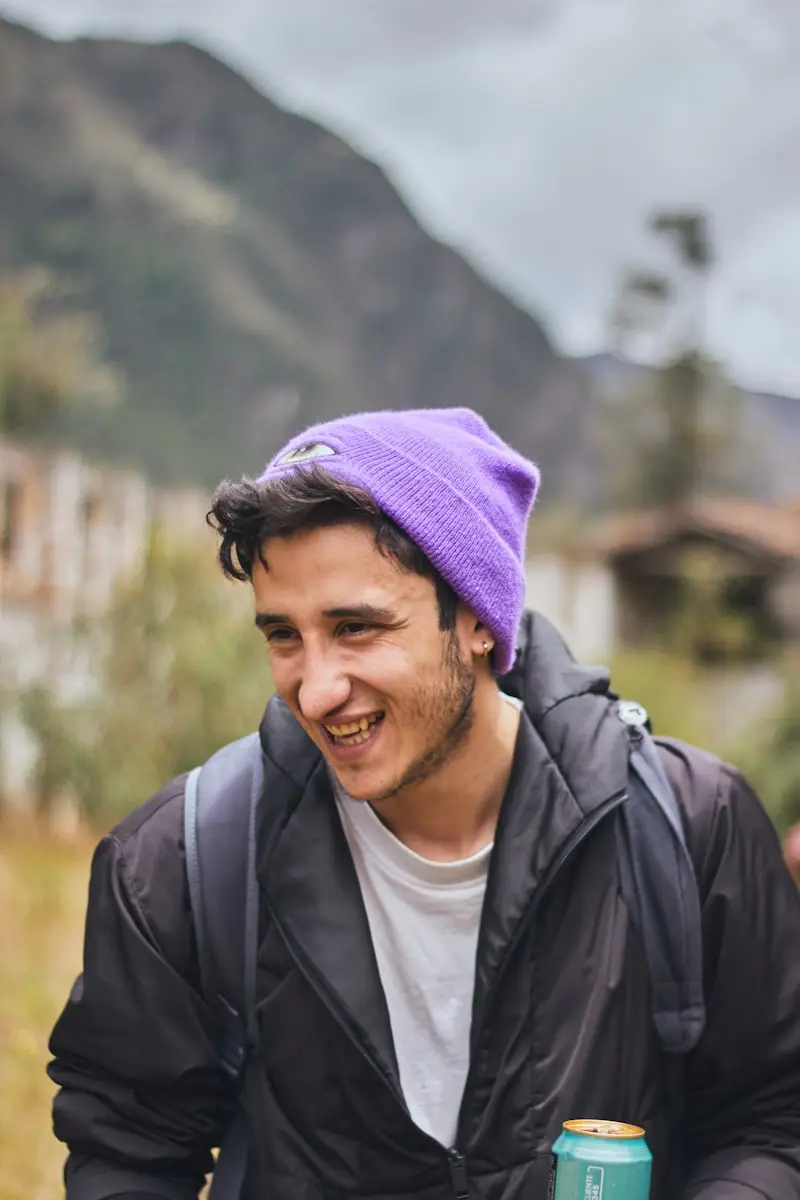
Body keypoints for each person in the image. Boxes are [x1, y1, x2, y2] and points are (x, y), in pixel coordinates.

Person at [48, 408, 800, 1200]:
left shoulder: (689, 827)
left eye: (356, 628)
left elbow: (772, 1120)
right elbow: (127, 1150)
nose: (316, 686)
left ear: (477, 617)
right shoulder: (182, 859)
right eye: (283, 636)